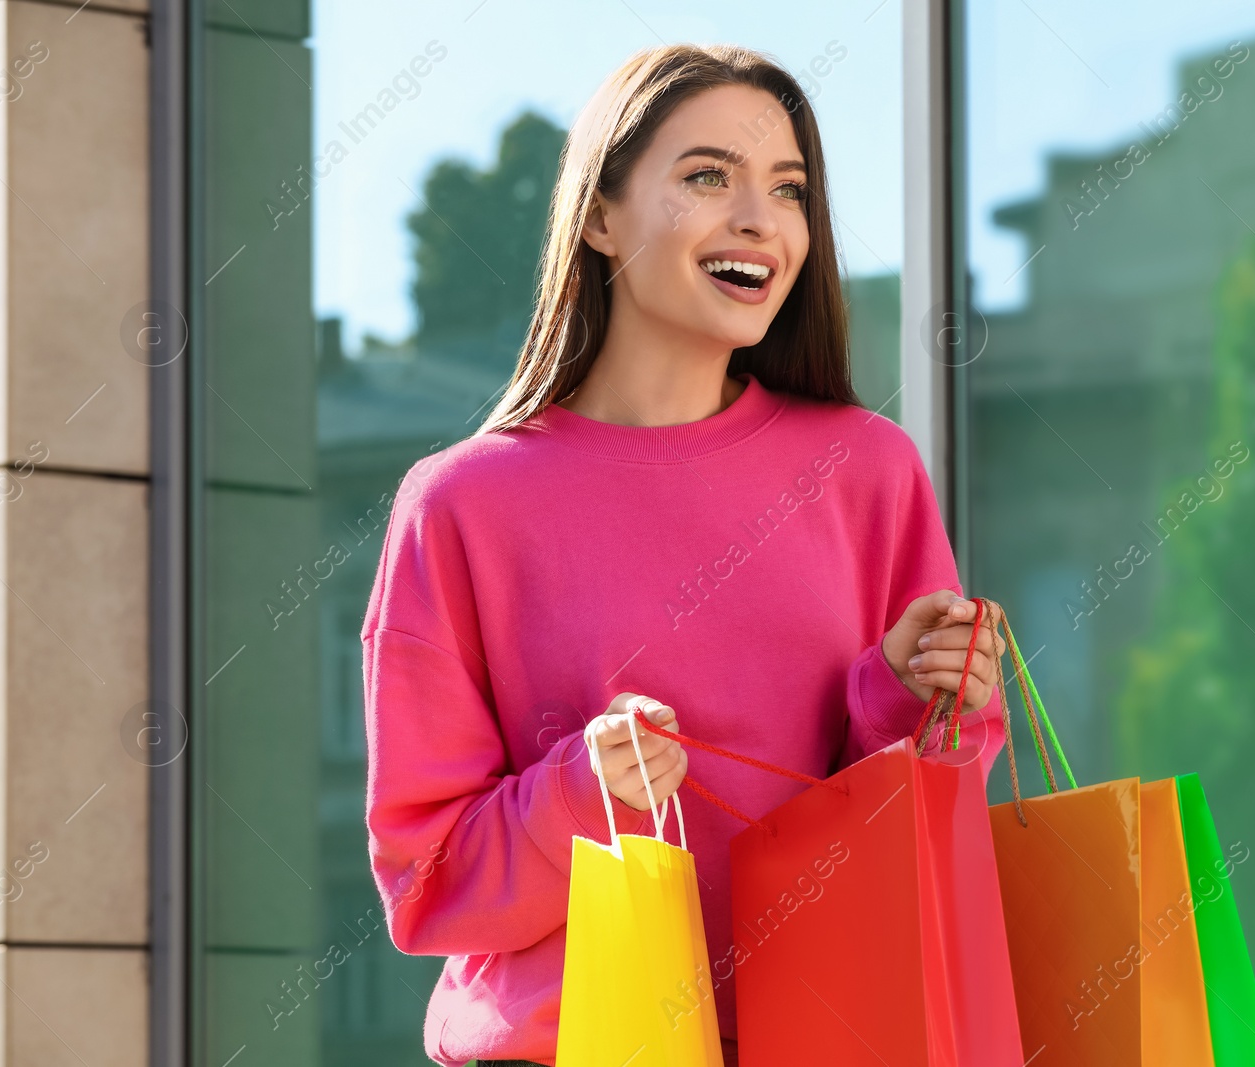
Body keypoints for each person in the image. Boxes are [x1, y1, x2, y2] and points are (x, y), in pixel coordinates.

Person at [361, 42, 1008, 1067]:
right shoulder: (460, 504)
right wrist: (583, 790)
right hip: (565, 1046)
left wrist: (914, 696)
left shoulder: (865, 470)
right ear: (599, 214)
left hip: (832, 1033)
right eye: (708, 175)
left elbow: (927, 819)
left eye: (787, 189)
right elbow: (426, 879)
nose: (760, 218)